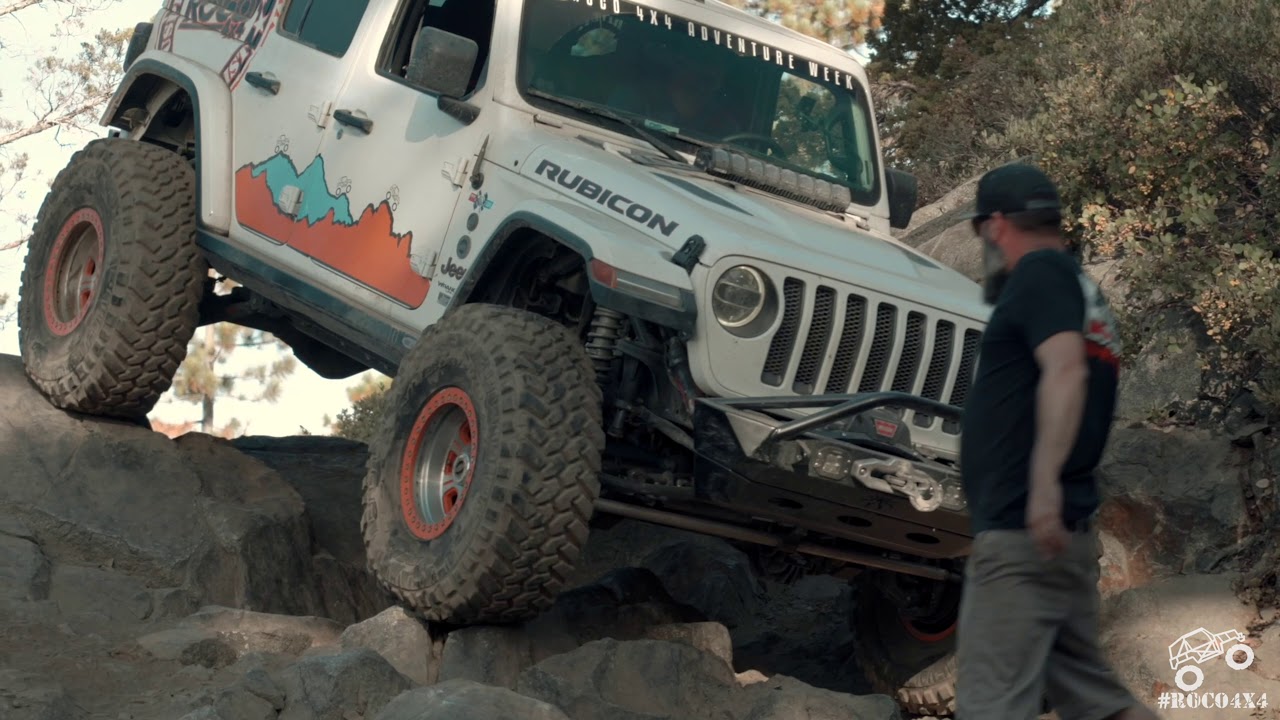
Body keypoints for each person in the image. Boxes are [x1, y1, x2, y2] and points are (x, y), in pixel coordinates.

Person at [954, 162, 1159, 720]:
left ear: (996, 225)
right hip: (1062, 536)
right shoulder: (1078, 286)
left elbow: (1065, 372)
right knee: (1095, 702)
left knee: (988, 703)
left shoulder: (1041, 274)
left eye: (982, 233)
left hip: (1025, 530)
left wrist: (1041, 485)